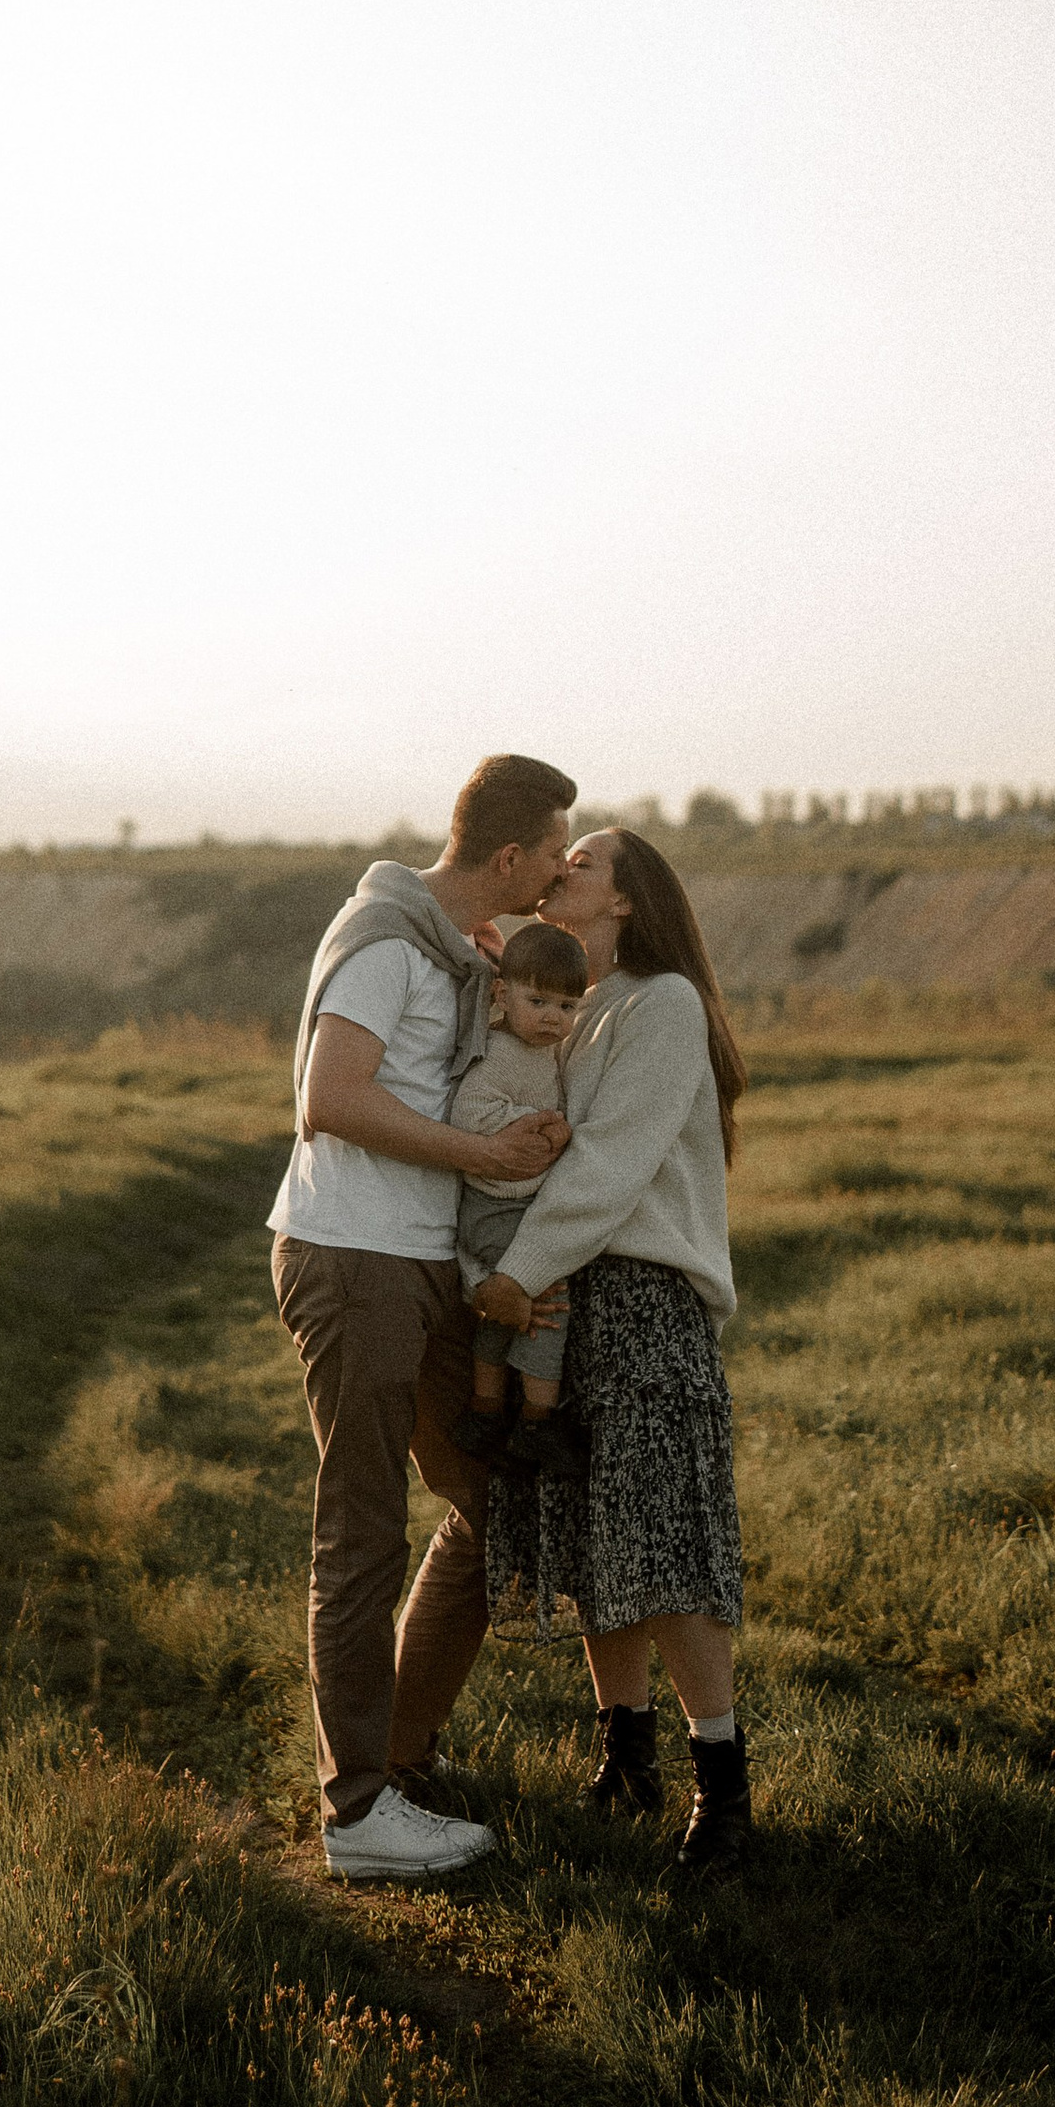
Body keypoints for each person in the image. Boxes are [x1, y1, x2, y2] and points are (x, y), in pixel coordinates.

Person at [269, 751, 579, 1883]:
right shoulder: (387, 945)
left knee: (494, 1497)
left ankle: (395, 1761)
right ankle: (357, 1817)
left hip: (415, 1263)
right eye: (552, 851)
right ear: (508, 856)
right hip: (354, 1257)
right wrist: (482, 1154)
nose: (559, 870)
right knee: (361, 1529)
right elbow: (330, 1099)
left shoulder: (448, 949)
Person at [474, 826, 755, 1875]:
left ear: (627, 899)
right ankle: (626, 1760)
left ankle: (721, 1790)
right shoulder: (584, 1011)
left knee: (669, 1546)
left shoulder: (664, 1005)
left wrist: (515, 1271)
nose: (559, 874)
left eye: (581, 864)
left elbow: (609, 1165)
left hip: (638, 1299)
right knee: (597, 1540)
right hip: (568, 1296)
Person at [444, 917, 591, 1467]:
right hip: (493, 1206)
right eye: (539, 1002)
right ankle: (536, 1421)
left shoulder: (540, 1051)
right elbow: (469, 1113)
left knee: (505, 1311)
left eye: (567, 1008)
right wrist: (543, 1121)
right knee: (548, 1299)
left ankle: (486, 1410)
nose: (553, 1018)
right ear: (503, 995)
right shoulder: (501, 1053)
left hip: (509, 1203)